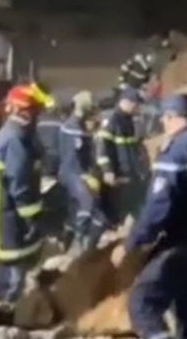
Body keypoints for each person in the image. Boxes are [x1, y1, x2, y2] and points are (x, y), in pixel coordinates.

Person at [112, 93, 187, 339]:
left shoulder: (177, 150)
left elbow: (159, 205)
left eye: (163, 118)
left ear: (171, 117)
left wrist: (132, 243)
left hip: (184, 240)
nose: (162, 123)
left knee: (142, 302)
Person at [0, 83, 51, 323]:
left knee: (12, 270)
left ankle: (4, 314)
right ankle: (2, 320)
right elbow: (19, 185)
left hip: (9, 211)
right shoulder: (15, 140)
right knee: (12, 274)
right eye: (36, 111)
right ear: (25, 111)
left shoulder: (19, 135)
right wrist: (33, 218)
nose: (38, 116)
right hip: (8, 214)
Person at [58, 91, 105, 254]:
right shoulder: (73, 128)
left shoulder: (77, 127)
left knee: (97, 217)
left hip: (75, 173)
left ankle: (78, 241)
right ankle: (79, 242)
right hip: (72, 173)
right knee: (87, 203)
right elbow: (73, 157)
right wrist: (84, 175)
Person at [95, 86, 146, 225]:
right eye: (136, 104)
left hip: (128, 172)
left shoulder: (127, 120)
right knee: (115, 210)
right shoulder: (112, 119)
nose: (137, 107)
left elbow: (131, 148)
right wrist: (107, 170)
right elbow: (102, 146)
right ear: (127, 102)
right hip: (117, 174)